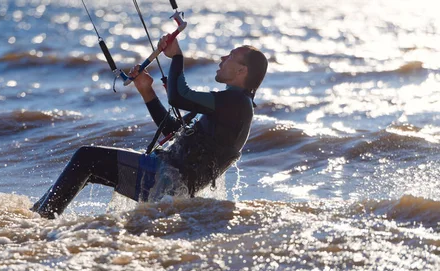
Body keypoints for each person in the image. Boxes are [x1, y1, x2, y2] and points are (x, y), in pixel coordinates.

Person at [32, 34, 268, 218]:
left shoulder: (236, 103)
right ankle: (38, 215)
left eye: (229, 57)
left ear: (241, 70)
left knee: (86, 158)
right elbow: (173, 131)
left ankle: (41, 220)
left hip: (165, 181)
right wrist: (147, 91)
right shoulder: (232, 102)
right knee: (89, 165)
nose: (221, 59)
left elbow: (179, 96)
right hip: (167, 181)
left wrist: (177, 57)